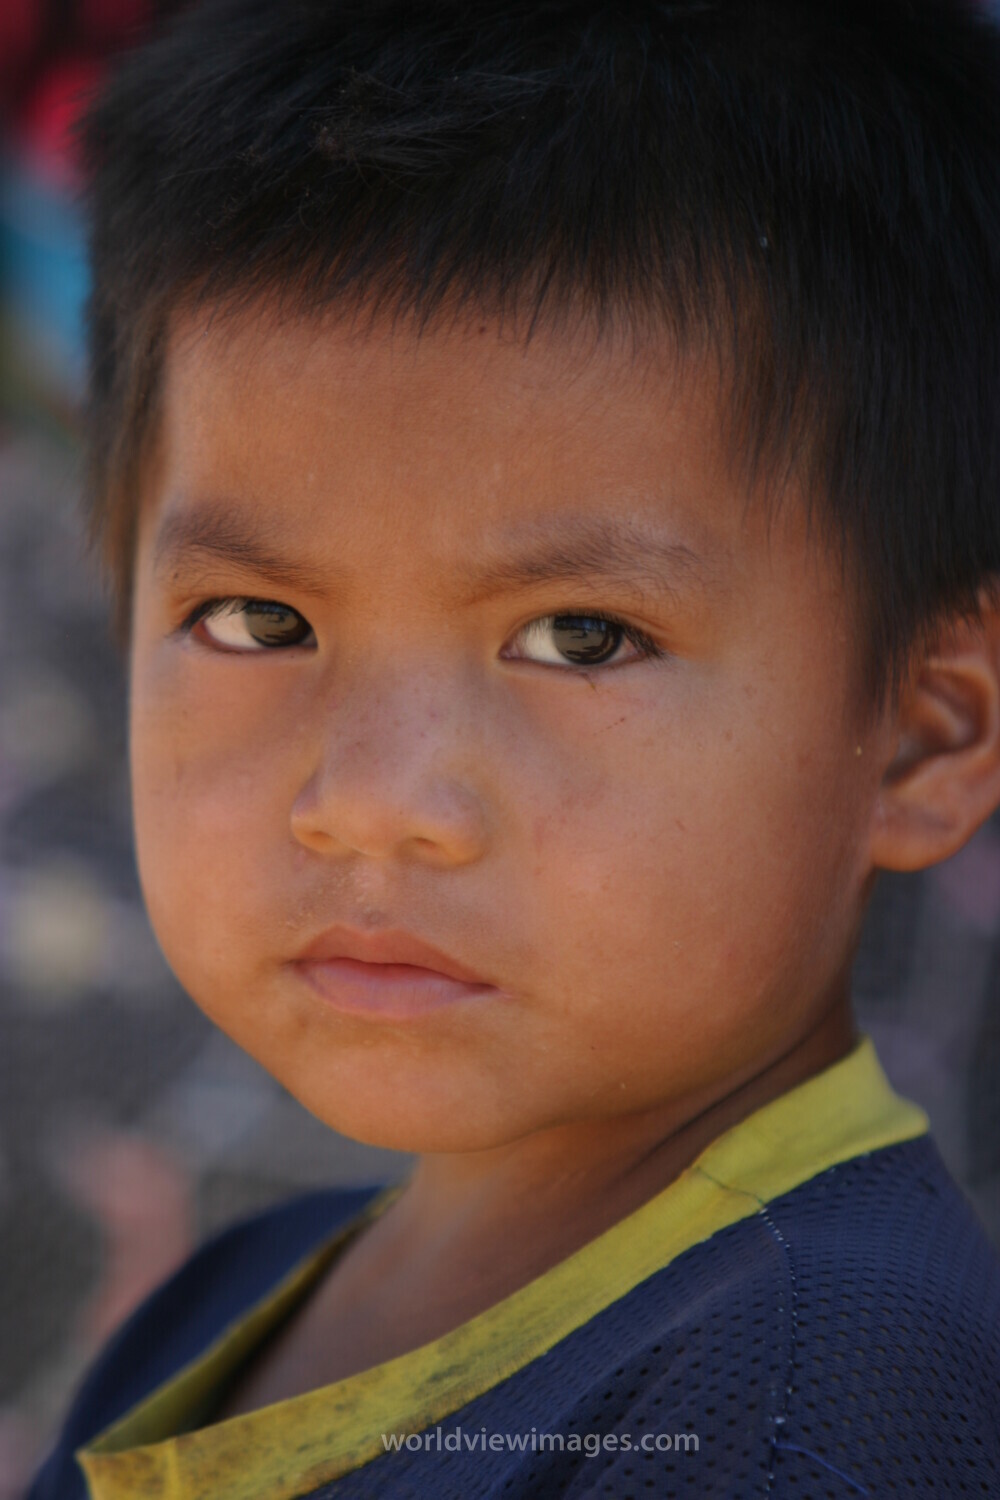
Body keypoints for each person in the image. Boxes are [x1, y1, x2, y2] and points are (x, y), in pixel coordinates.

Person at [26, 0, 1000, 1494]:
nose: (372, 806)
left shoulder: (803, 1405)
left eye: (582, 640)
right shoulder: (229, 1302)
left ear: (926, 736)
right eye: (255, 621)